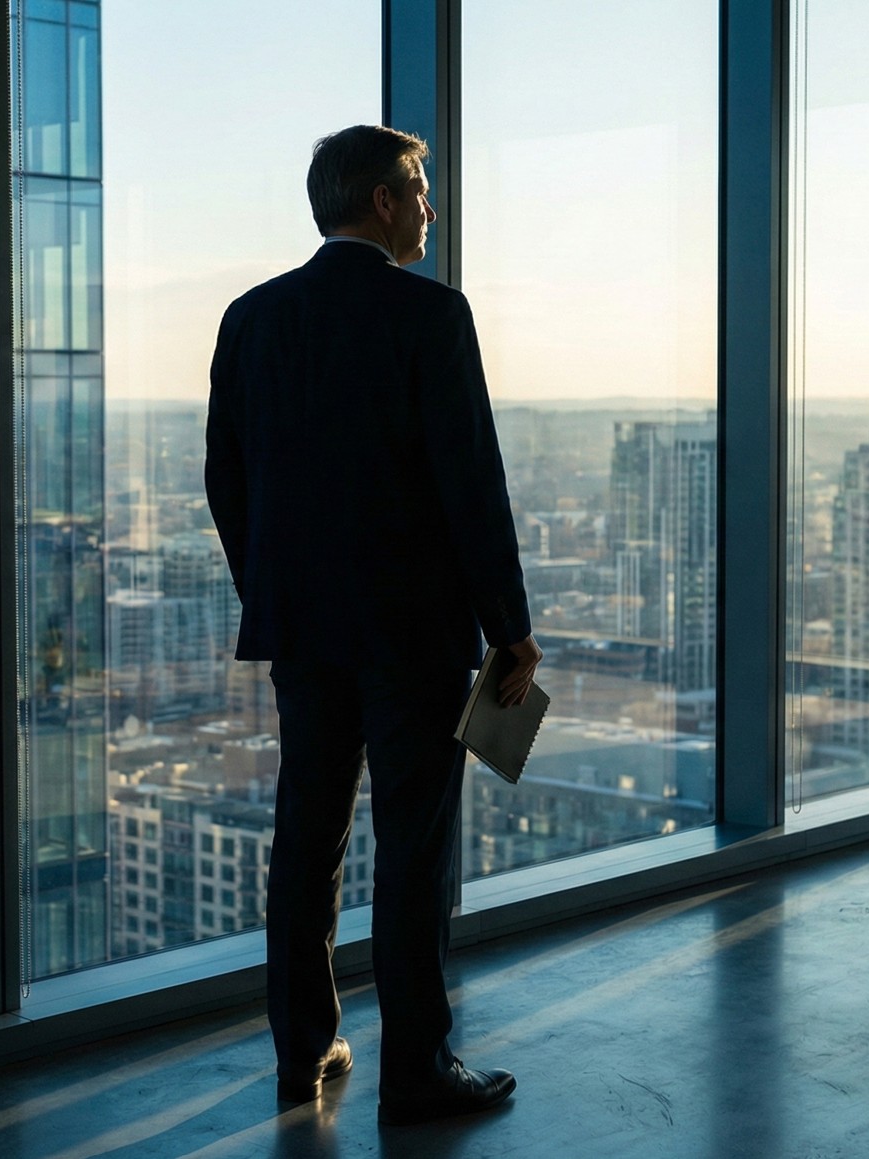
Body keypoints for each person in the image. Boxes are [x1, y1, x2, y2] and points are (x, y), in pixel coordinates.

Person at [205, 124, 543, 1126]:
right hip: (413, 634)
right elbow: (468, 482)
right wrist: (510, 627)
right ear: (384, 201)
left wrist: (268, 588)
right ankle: (417, 1070)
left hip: (304, 631)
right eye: (421, 191)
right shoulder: (430, 315)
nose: (430, 210)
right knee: (413, 849)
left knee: (305, 840)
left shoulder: (251, 318)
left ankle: (300, 1052)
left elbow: (227, 479)